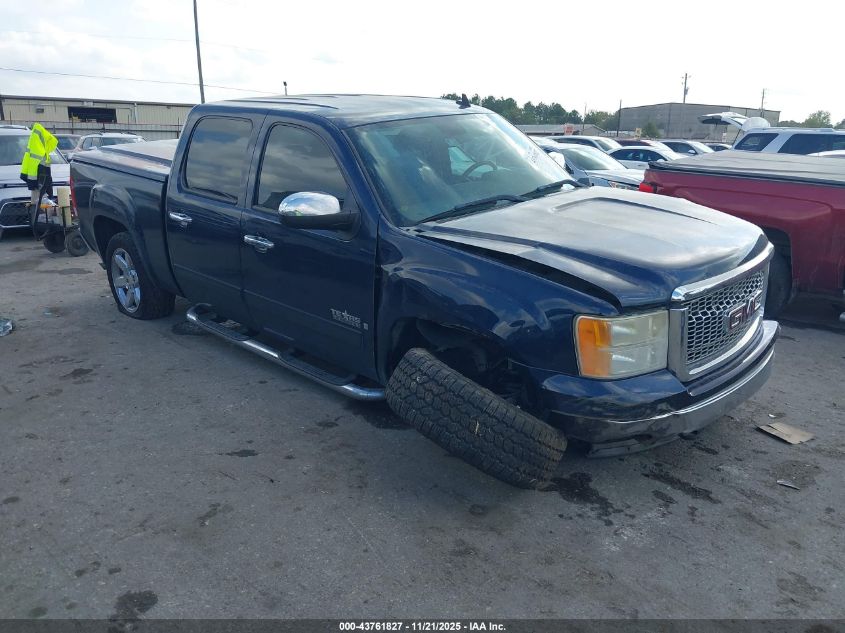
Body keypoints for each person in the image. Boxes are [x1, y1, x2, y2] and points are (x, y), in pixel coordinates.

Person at [19, 123, 58, 206]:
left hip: (37, 185)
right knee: (40, 206)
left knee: (38, 205)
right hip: (39, 185)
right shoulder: (42, 153)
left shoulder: (35, 147)